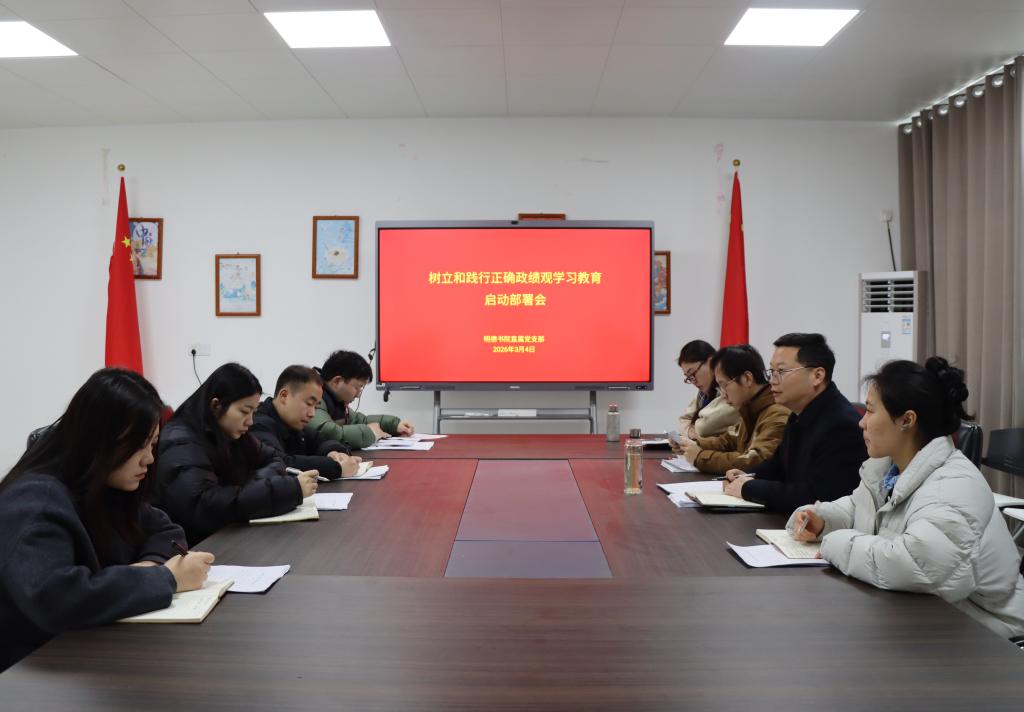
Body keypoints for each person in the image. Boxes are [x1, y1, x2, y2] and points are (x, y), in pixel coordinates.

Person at [788, 358, 1024, 640]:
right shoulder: (889, 468)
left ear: (907, 420)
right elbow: (859, 507)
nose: (861, 422)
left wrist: (834, 543)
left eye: (870, 411)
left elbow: (915, 566)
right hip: (930, 616)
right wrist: (822, 519)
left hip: (988, 632)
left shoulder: (952, 485)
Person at [0, 369, 213, 671]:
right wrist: (167, 578)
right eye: (140, 445)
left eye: (153, 444)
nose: (150, 459)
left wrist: (148, 566)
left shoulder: (103, 485)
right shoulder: (35, 500)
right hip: (30, 672)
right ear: (100, 440)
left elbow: (165, 528)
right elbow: (54, 599)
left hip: (85, 652)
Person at [154, 363, 318, 544]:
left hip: (227, 535)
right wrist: (287, 490)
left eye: (253, 412)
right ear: (216, 405)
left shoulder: (233, 432)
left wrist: (252, 488)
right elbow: (204, 506)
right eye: (244, 411)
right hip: (195, 545)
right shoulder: (180, 441)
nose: (250, 421)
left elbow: (274, 458)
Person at [723, 333, 865, 512]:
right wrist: (749, 476)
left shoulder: (841, 426)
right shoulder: (799, 413)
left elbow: (818, 497)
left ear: (817, 376)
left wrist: (749, 488)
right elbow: (779, 465)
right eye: (771, 371)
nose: (772, 380)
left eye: (781, 372)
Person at [677, 345, 789, 475]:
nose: (723, 395)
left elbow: (756, 461)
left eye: (724, 385)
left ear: (747, 378)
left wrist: (699, 457)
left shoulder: (777, 413)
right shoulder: (750, 408)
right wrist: (692, 445)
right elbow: (727, 441)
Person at [251, 365, 361, 480]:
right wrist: (336, 468)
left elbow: (321, 441)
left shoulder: (293, 423)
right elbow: (278, 463)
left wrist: (334, 453)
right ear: (284, 396)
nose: (312, 413)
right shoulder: (258, 424)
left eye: (315, 406)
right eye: (309, 403)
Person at [310, 350, 415, 449]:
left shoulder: (336, 401)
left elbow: (359, 421)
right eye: (357, 387)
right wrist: (370, 433)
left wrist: (393, 425)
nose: (358, 395)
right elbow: (325, 433)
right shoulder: (313, 398)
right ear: (337, 381)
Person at [674, 339, 739, 441]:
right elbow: (684, 420)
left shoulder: (731, 387)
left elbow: (703, 427)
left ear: (710, 361)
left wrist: (691, 431)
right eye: (689, 377)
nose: (693, 381)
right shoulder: (703, 394)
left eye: (693, 373)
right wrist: (690, 433)